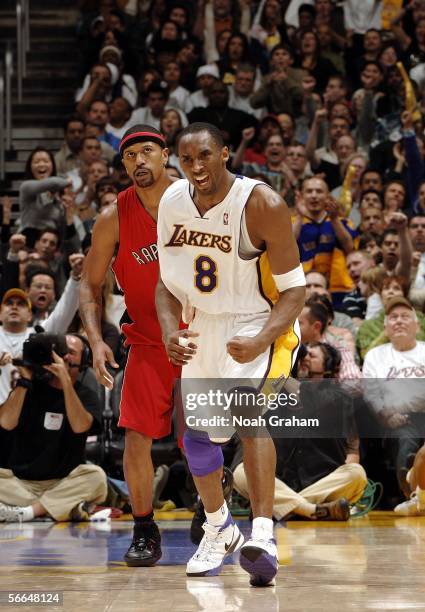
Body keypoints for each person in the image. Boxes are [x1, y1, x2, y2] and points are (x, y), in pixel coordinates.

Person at [156, 122, 305, 586]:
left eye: (205, 156)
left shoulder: (261, 204)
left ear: (225, 154)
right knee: (198, 439)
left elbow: (295, 292)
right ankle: (219, 527)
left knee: (248, 414)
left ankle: (263, 534)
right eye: (186, 159)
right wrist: (168, 332)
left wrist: (262, 340)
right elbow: (166, 283)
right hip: (201, 324)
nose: (196, 167)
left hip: (257, 322)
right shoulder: (172, 202)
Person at [79, 124, 178, 567]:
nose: (139, 161)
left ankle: (215, 513)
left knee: (208, 432)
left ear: (165, 154)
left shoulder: (199, 201)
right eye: (130, 155)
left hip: (202, 336)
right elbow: (90, 285)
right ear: (123, 164)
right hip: (146, 340)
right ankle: (143, 527)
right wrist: (97, 340)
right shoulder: (114, 215)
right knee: (135, 436)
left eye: (147, 152)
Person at [0, 334, 106, 522]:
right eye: (60, 350)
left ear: (84, 360)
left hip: (64, 481)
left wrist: (64, 380)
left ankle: (28, 511)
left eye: (71, 352)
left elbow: (80, 426)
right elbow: (6, 423)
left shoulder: (86, 395)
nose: (64, 356)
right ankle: (62, 508)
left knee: (96, 477)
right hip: (21, 482)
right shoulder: (29, 388)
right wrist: (24, 381)